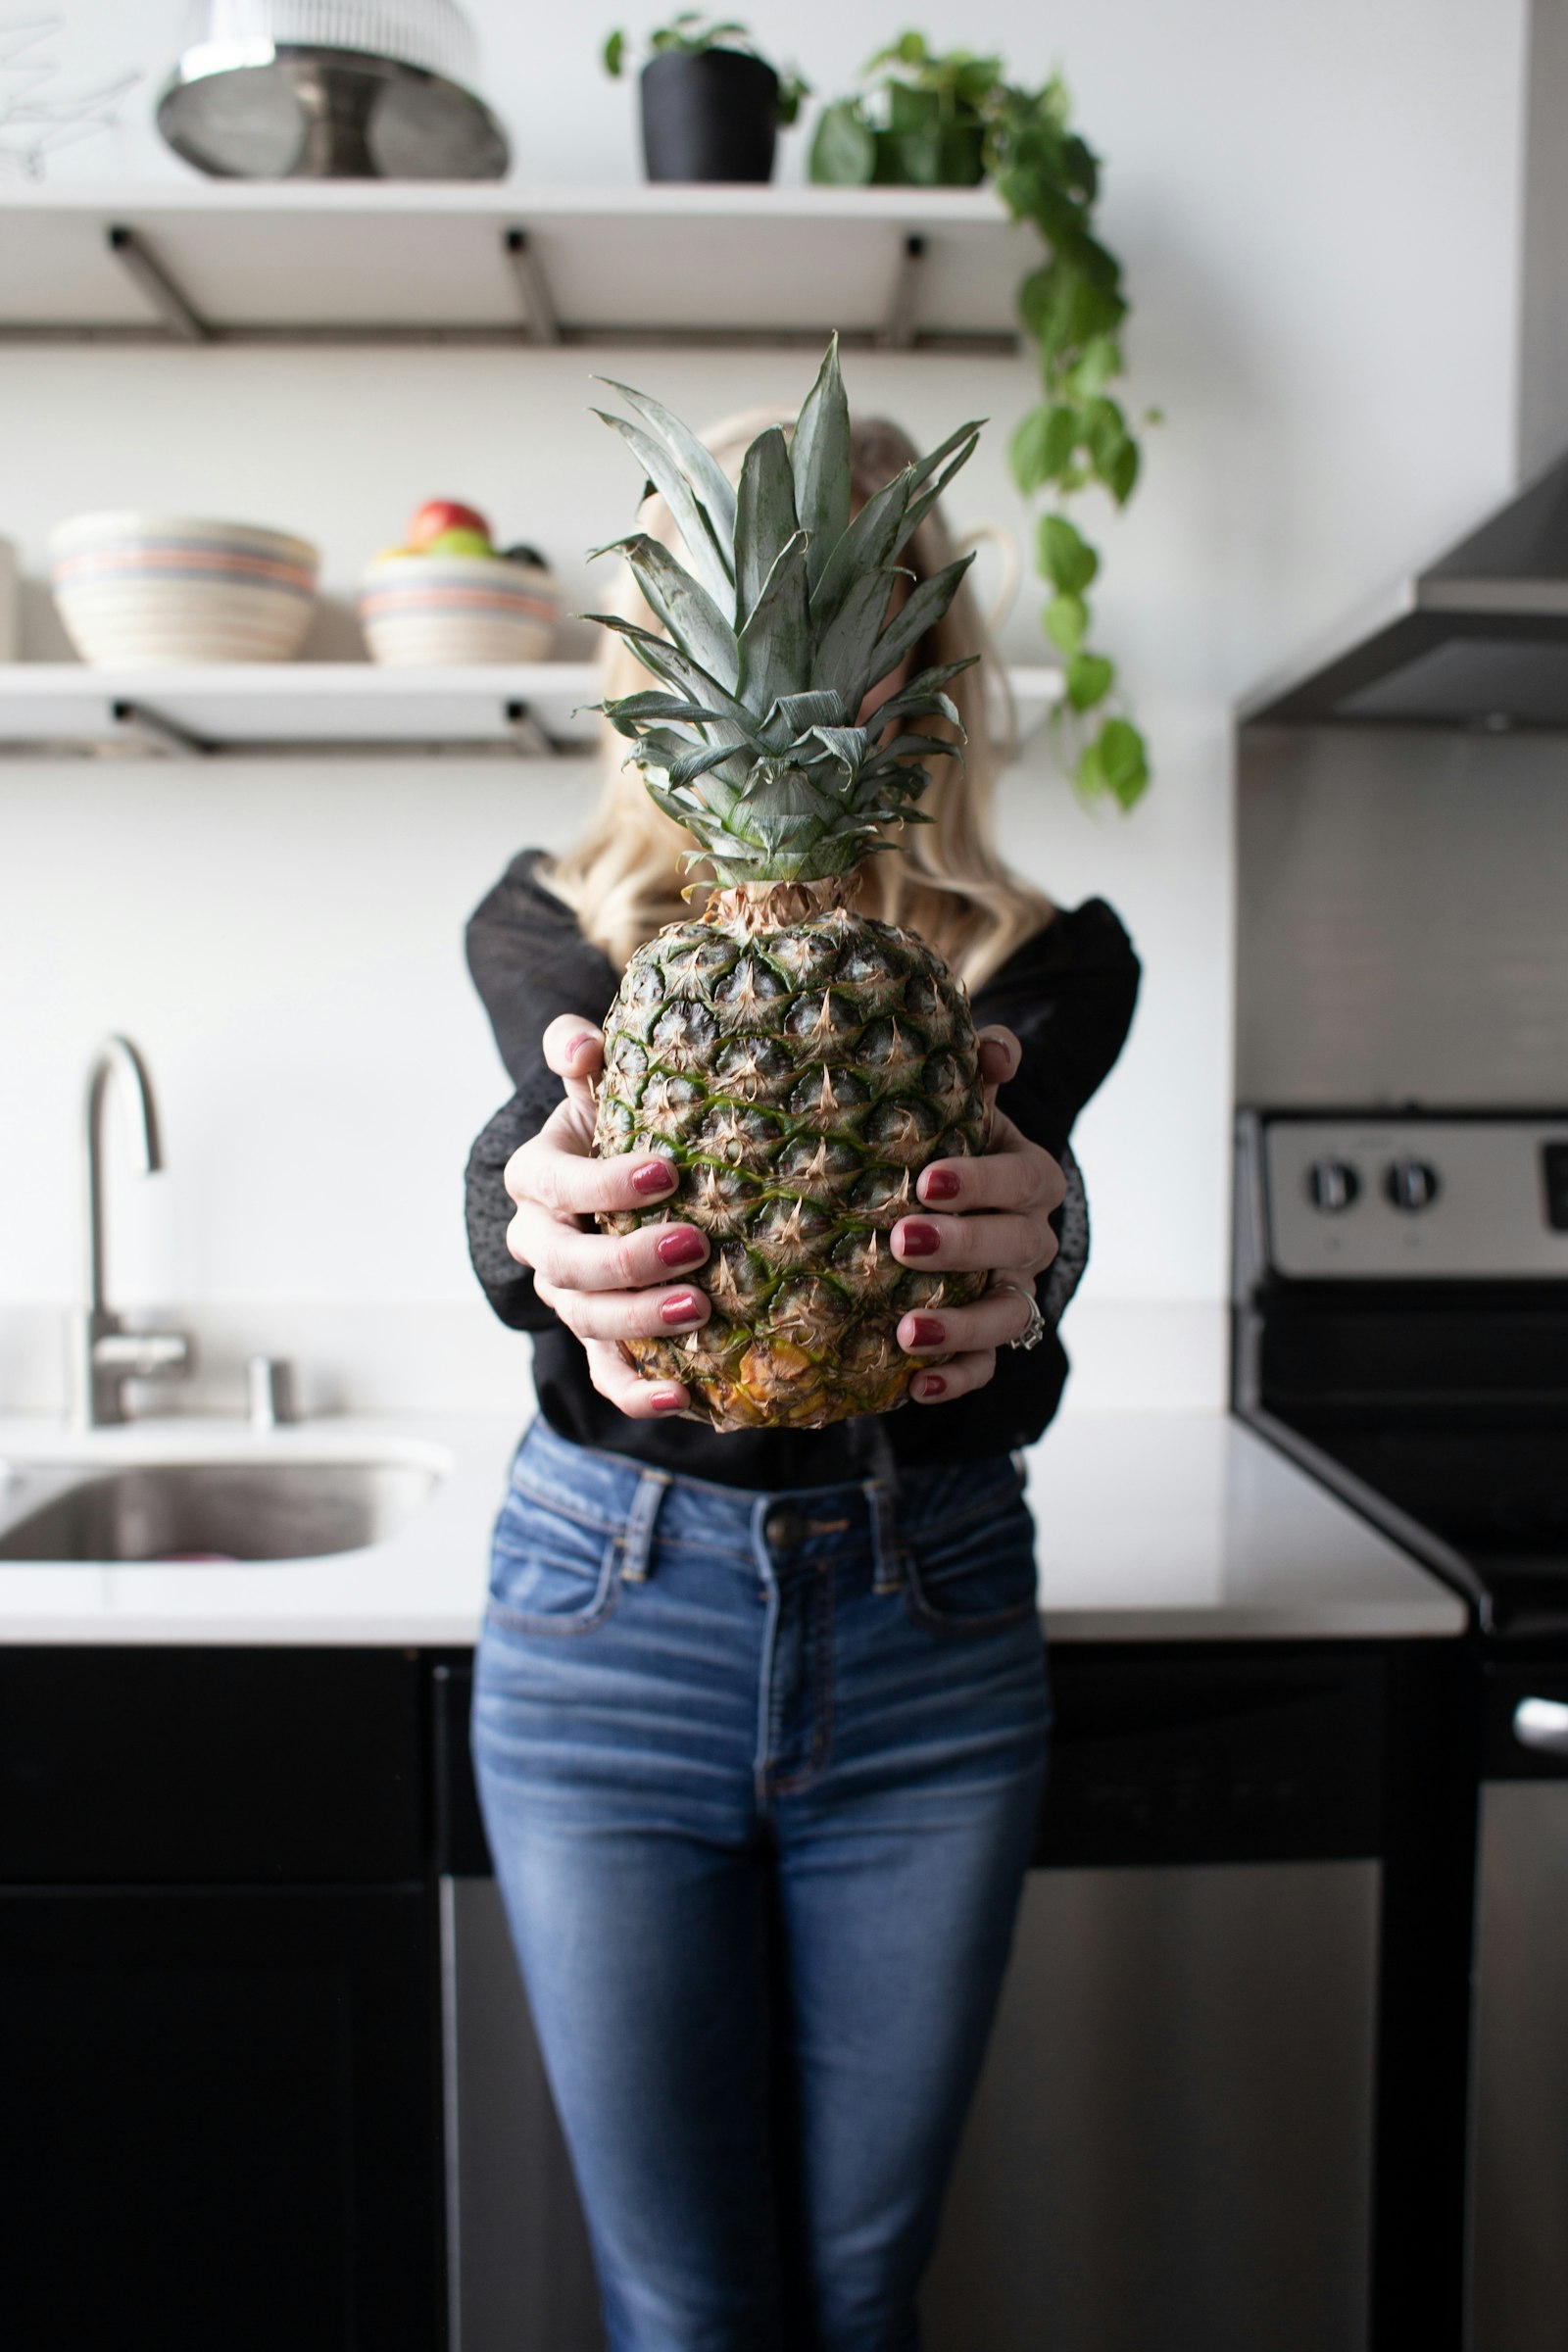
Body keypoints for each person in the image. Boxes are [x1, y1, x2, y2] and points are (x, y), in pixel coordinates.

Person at [464, 406, 1140, 2352]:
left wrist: (1038, 1263)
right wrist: (530, 1232)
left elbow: (1031, 1212)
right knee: (679, 2301)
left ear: (924, 664)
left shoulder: (1036, 968)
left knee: (857, 2287)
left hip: (926, 1611)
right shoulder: (557, 935)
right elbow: (534, 1133)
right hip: (608, 1617)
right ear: (654, 658)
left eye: (886, 628)